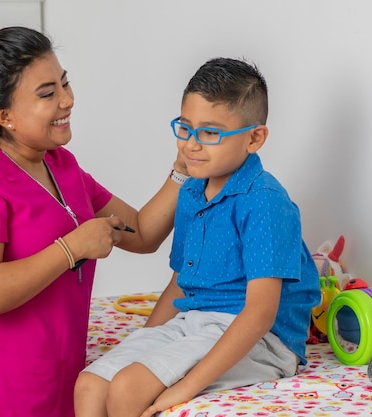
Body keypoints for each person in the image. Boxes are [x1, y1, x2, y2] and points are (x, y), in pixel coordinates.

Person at [0, 26, 188, 417]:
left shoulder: (61, 164)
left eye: (65, 84)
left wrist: (184, 167)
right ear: (4, 115)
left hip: (56, 386)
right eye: (48, 94)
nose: (67, 100)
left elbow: (142, 232)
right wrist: (72, 247)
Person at [74, 57, 321, 417]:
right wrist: (144, 343)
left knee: (129, 388)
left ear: (254, 138)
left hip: (262, 340)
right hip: (193, 321)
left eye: (210, 133)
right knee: (90, 385)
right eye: (185, 128)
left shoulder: (264, 201)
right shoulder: (191, 192)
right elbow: (180, 283)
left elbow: (260, 314)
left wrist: (184, 387)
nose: (190, 144)